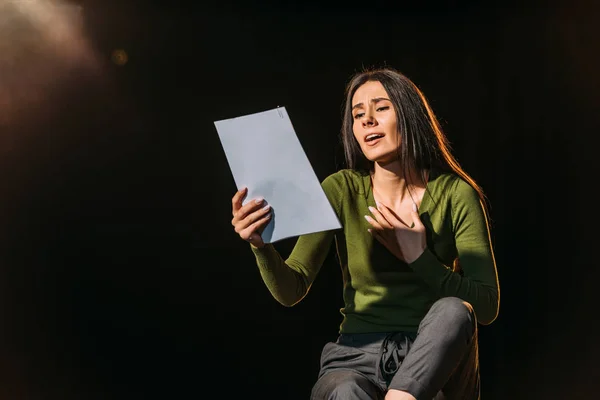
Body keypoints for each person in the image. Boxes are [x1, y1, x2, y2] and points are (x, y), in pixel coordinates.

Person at [229, 67, 500, 400]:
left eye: (381, 108)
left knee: (455, 310)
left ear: (409, 116)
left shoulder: (455, 194)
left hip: (432, 363)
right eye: (358, 115)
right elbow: (292, 288)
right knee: (345, 391)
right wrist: (260, 245)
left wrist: (418, 257)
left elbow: (485, 306)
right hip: (354, 359)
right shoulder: (341, 189)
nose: (367, 121)